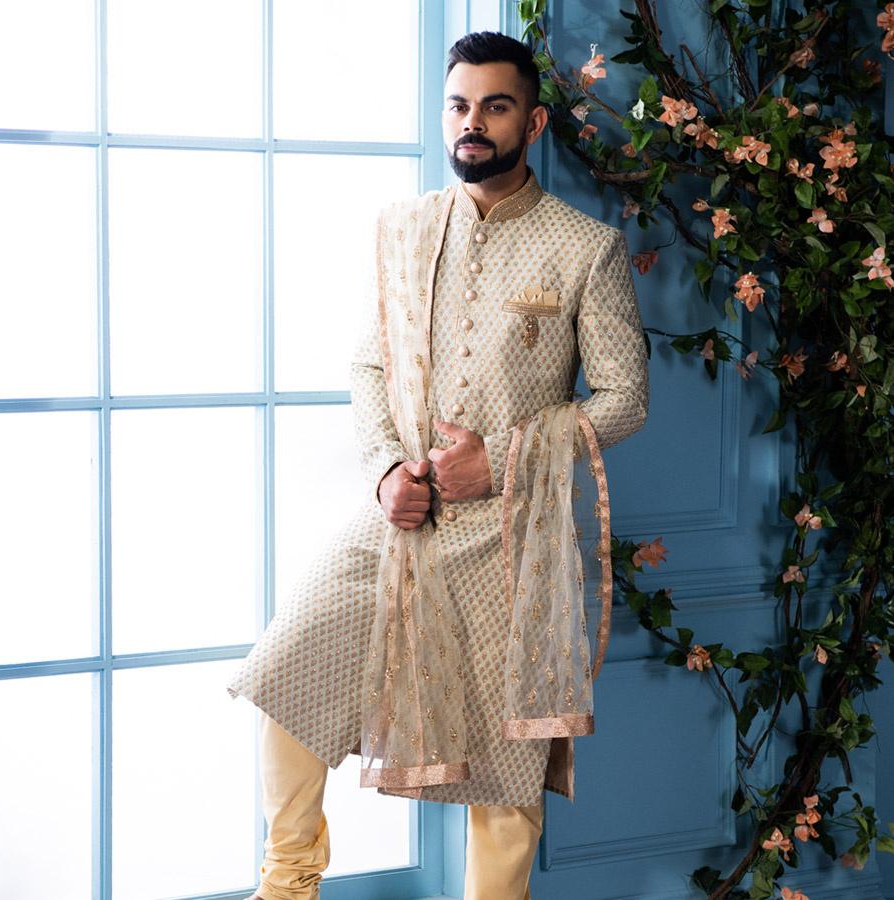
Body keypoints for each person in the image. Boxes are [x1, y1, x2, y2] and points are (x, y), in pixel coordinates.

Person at [227, 30, 649, 900]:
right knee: (286, 673)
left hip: (511, 539)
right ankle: (288, 882)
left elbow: (624, 398)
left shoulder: (584, 249)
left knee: (506, 770)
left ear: (531, 123)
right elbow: (369, 365)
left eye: (495, 107)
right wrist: (387, 469)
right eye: (459, 105)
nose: (472, 123)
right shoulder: (407, 230)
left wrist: (501, 460)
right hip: (404, 519)